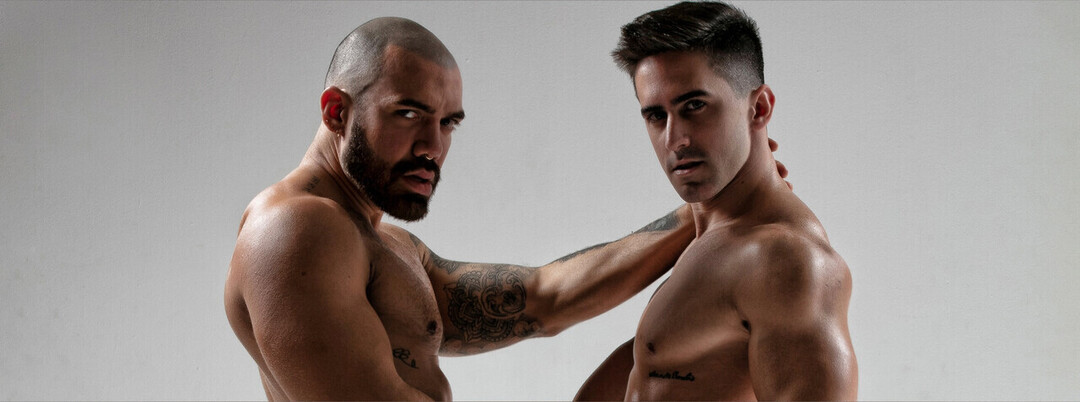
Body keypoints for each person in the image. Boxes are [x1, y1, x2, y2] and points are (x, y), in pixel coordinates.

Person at [221, 17, 727, 401]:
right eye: (409, 113)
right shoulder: (296, 227)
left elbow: (542, 300)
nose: (432, 147)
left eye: (448, 123)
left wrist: (706, 210)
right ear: (337, 111)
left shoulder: (385, 244)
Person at [575, 2, 857, 400]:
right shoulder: (713, 240)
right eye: (656, 116)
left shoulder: (785, 260)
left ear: (759, 108)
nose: (674, 139)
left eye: (694, 106)